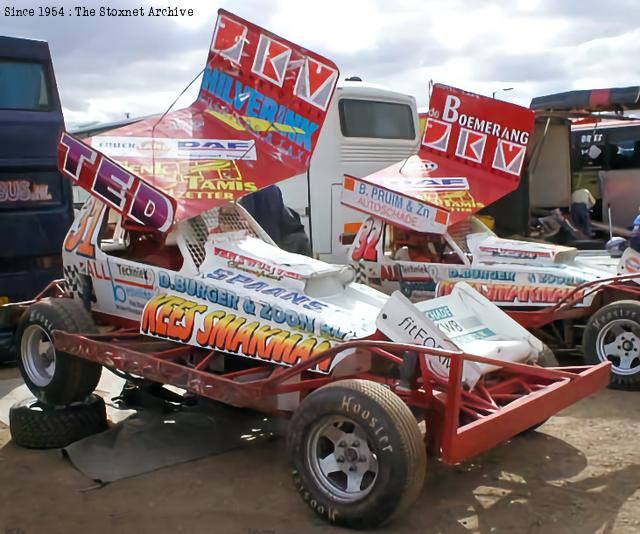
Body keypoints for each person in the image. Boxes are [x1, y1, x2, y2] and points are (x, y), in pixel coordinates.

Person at [239, 185, 312, 256]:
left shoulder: (249, 190)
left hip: (286, 243)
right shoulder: (271, 187)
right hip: (296, 239)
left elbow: (249, 217)